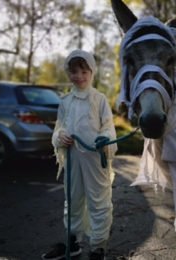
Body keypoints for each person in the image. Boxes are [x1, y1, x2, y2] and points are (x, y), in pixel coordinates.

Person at [42, 49, 118, 260]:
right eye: (75, 71)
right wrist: (60, 136)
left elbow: (108, 127)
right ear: (69, 73)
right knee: (73, 199)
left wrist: (104, 138)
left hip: (95, 159)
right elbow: (59, 127)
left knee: (98, 200)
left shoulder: (100, 99)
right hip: (73, 157)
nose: (80, 76)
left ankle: (98, 247)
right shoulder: (65, 101)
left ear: (92, 72)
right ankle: (72, 241)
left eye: (84, 71)